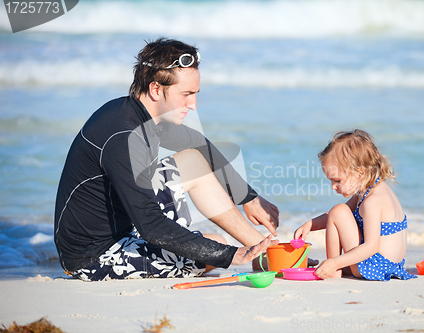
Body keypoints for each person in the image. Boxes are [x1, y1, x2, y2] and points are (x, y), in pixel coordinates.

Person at [54, 38, 279, 281]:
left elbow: (198, 144)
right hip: (94, 256)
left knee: (192, 160)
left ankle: (267, 252)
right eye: (186, 94)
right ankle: (256, 254)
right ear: (155, 89)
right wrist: (232, 255)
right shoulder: (124, 136)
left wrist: (248, 197)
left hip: (127, 224)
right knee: (216, 245)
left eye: (195, 94)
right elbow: (150, 224)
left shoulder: (139, 114)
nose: (193, 105)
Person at [294, 129, 416, 281]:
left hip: (375, 264)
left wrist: (335, 262)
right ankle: (335, 266)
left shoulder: (372, 201)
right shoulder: (373, 190)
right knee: (339, 211)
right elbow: (335, 219)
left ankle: (334, 269)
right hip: (391, 265)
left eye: (337, 180)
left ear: (360, 173)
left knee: (338, 210)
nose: (333, 186)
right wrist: (310, 225)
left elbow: (371, 247)